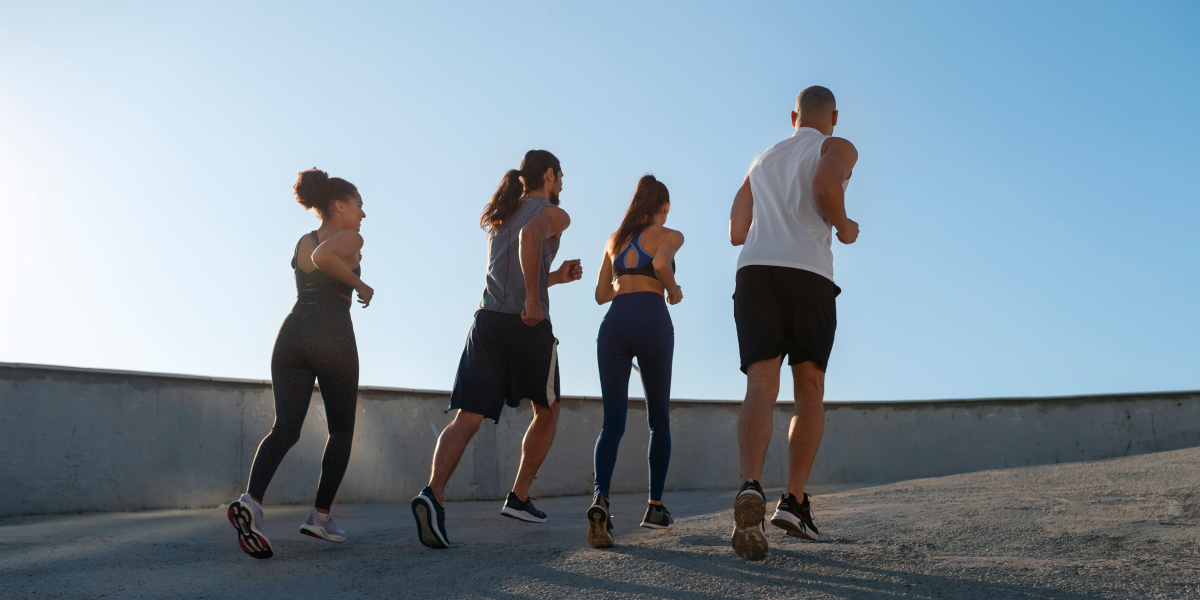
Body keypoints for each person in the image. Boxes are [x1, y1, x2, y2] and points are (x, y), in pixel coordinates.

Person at [411, 150, 583, 549]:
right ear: (549, 175)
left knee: (467, 417)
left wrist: (554, 278)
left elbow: (514, 271)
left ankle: (432, 494)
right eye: (561, 176)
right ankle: (519, 497)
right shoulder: (554, 213)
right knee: (548, 410)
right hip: (527, 324)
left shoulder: (503, 212)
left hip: (487, 321)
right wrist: (535, 301)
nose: (562, 184)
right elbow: (531, 238)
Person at [727, 86, 860, 560]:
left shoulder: (761, 158)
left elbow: (736, 230)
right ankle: (794, 501)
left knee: (760, 386)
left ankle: (750, 484)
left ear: (793, 117)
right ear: (834, 117)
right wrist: (844, 227)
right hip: (807, 273)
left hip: (755, 271)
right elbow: (825, 188)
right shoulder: (837, 146)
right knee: (809, 387)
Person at [227, 168, 374, 559]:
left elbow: (313, 258)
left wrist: (348, 266)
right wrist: (359, 282)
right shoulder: (350, 237)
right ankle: (320, 516)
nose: (363, 214)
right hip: (331, 331)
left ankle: (251, 503)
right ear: (338, 205)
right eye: (358, 205)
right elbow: (324, 256)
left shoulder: (302, 239)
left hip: (292, 333)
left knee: (285, 427)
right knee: (341, 430)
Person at [586, 175, 684, 549]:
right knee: (658, 420)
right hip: (652, 319)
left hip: (614, 324)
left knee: (612, 423)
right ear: (664, 207)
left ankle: (601, 499)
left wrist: (624, 286)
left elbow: (600, 294)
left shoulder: (614, 239)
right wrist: (673, 291)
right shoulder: (670, 234)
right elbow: (660, 264)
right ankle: (654, 508)